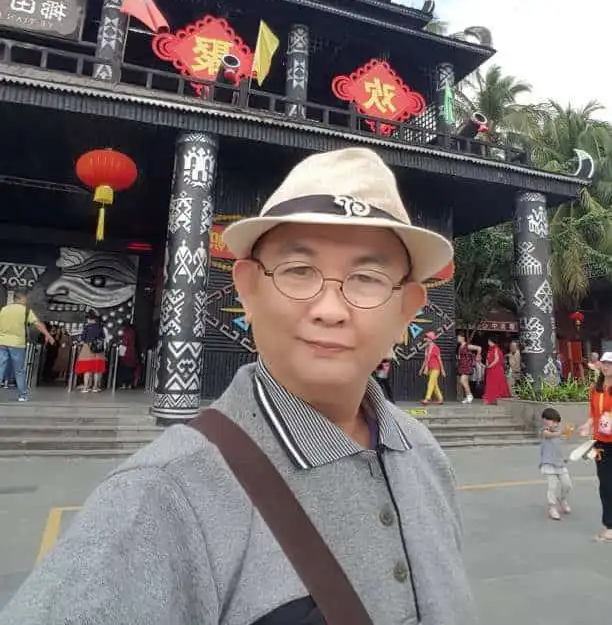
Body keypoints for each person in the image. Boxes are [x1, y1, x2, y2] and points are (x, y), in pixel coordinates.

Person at [0, 147, 477, 624]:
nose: (330, 310)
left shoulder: (425, 456)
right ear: (247, 290)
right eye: (299, 271)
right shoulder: (161, 496)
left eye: (367, 278)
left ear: (406, 310)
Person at [579, 350, 612, 542]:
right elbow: (593, 414)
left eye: (610, 364)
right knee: (606, 484)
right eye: (604, 363)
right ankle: (610, 525)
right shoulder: (595, 389)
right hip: (601, 444)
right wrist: (586, 426)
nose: (607, 367)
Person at [0, 289, 54, 402]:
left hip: (2, 342)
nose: (26, 301)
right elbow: (38, 324)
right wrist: (48, 335)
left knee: (1, 367)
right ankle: (22, 395)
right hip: (17, 343)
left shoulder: (4, 309)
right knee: (19, 370)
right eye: (25, 299)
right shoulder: (25, 310)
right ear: (20, 299)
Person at [540, 407, 572, 521]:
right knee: (552, 486)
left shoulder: (559, 433)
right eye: (552, 421)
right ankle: (552, 507)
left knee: (567, 485)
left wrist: (565, 458)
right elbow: (549, 435)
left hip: (560, 464)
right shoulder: (544, 431)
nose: (554, 424)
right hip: (549, 464)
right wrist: (561, 433)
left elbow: (560, 447)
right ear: (544, 420)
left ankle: (562, 500)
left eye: (556, 422)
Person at [74, 311, 106, 393]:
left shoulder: (87, 327)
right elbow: (103, 337)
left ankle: (86, 387)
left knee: (87, 370)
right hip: (98, 350)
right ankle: (95, 387)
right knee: (97, 370)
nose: (87, 320)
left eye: (88, 319)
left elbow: (83, 338)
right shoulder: (100, 327)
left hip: (87, 348)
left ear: (91, 319)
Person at [482, 337, 511, 405]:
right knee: (491, 384)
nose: (488, 342)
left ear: (491, 341)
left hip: (496, 369)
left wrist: (489, 366)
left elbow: (497, 359)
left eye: (489, 341)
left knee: (496, 384)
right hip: (491, 369)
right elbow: (488, 358)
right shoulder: (490, 349)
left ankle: (496, 399)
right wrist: (487, 364)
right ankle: (491, 399)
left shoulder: (496, 348)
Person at [419, 331, 445, 405]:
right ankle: (441, 399)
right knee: (434, 385)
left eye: (427, 337)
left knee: (430, 383)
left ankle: (427, 399)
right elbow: (425, 360)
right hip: (430, 369)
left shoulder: (436, 348)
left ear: (430, 339)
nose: (425, 339)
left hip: (436, 369)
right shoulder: (427, 348)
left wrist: (442, 370)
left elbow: (439, 360)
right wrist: (421, 369)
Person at [456, 333, 480, 404]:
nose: (458, 339)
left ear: (463, 338)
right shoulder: (460, 346)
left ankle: (470, 395)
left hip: (467, 366)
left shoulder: (467, 345)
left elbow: (479, 348)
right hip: (462, 365)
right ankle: (468, 397)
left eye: (459, 337)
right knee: (465, 382)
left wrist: (478, 355)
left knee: (462, 381)